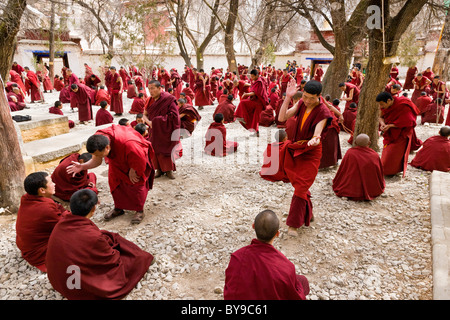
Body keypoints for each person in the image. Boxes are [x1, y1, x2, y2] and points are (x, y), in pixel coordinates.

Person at [46, 189, 155, 300]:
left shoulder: (61, 223)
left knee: (107, 236)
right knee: (136, 258)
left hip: (59, 281)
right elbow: (112, 260)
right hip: (77, 288)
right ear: (93, 209)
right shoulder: (93, 236)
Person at [66, 124, 155, 224]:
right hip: (117, 159)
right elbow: (97, 160)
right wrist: (83, 166)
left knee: (136, 183)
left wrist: (134, 168)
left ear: (107, 148)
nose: (95, 156)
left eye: (97, 154)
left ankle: (139, 210)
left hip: (135, 158)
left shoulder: (129, 144)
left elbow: (140, 159)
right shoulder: (98, 140)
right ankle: (119, 208)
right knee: (115, 183)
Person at [278, 79, 332, 237]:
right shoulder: (301, 103)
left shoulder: (323, 111)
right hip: (297, 147)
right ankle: (309, 212)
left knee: (301, 185)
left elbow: (318, 131)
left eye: (311, 98)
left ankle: (293, 224)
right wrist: (288, 97)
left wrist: (316, 138)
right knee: (300, 184)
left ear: (319, 96)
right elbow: (282, 118)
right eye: (305, 97)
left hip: (311, 151)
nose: (307, 101)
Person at [224, 210, 310, 300]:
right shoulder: (286, 267)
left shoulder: (237, 257)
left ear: (253, 226)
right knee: (302, 281)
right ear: (277, 234)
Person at [15, 172, 69, 272]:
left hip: (25, 245)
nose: (54, 184)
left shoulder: (27, 198)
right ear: (42, 190)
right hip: (38, 253)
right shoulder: (45, 208)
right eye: (51, 182)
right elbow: (66, 225)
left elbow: (57, 209)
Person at [377, 91, 421, 177]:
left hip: (402, 132)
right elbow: (380, 117)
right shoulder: (385, 106)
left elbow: (409, 121)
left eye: (382, 104)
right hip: (390, 133)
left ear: (389, 100)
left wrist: (391, 125)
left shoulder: (403, 105)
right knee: (387, 154)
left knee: (395, 154)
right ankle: (387, 170)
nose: (381, 107)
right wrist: (382, 123)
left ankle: (392, 171)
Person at [143, 80, 181, 180]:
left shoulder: (169, 99)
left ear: (160, 88)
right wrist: (150, 123)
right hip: (154, 129)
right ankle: (158, 169)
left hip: (166, 129)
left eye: (152, 88)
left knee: (166, 148)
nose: (150, 91)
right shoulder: (149, 100)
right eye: (149, 88)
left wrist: (157, 121)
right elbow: (144, 115)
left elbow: (174, 116)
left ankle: (169, 170)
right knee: (155, 149)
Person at [332, 134, 385, 201]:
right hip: (372, 190)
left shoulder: (350, 153)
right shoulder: (374, 155)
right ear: (369, 143)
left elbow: (343, 170)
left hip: (350, 190)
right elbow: (379, 172)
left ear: (355, 143)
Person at [234, 69, 269, 137]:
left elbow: (255, 92)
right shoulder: (257, 81)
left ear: (256, 75)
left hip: (259, 102)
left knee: (242, 103)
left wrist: (246, 94)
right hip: (256, 101)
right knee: (255, 118)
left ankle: (242, 117)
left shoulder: (259, 82)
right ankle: (256, 132)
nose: (251, 78)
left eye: (252, 76)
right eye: (251, 76)